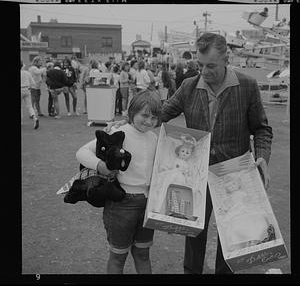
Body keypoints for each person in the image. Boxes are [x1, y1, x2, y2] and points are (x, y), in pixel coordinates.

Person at [105, 32, 273, 274]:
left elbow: (261, 128)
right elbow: (159, 113)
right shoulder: (189, 86)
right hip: (197, 174)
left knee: (232, 233)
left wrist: (262, 157)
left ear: (227, 58)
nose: (204, 71)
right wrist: (126, 123)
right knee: (194, 231)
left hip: (234, 173)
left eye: (211, 66)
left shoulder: (247, 85)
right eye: (200, 65)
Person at [76, 90, 162, 274]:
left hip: (148, 204)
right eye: (144, 115)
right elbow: (82, 152)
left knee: (143, 254)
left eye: (154, 117)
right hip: (122, 203)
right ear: (132, 113)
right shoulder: (119, 132)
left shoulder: (154, 137)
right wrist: (101, 166)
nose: (149, 121)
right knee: (118, 256)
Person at [20, 60, 39, 129]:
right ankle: (35, 118)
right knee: (30, 106)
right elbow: (33, 83)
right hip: (27, 89)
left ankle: (21, 121)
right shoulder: (27, 73)